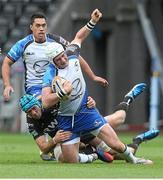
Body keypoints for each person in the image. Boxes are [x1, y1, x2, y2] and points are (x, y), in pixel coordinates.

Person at [42, 8, 152, 164]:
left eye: (62, 56)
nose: (62, 60)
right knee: (69, 160)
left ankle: (134, 160)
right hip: (67, 119)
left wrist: (92, 21)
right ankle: (93, 155)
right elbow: (46, 101)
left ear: (64, 52)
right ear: (52, 62)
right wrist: (61, 93)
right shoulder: (50, 74)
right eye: (57, 60)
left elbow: (79, 36)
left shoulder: (71, 53)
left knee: (115, 144)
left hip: (86, 111)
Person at [19, 90, 159, 163]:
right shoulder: (32, 121)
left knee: (119, 119)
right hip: (65, 138)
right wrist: (54, 140)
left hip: (83, 126)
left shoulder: (50, 101)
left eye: (33, 108)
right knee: (62, 158)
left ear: (37, 103)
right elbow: (43, 148)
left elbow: (74, 95)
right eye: (28, 112)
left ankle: (128, 99)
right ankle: (93, 155)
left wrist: (88, 101)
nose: (33, 113)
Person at [2, 12, 108, 102]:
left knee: (82, 101)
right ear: (31, 27)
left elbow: (74, 55)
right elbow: (7, 62)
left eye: (43, 25)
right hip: (35, 88)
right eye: (38, 25)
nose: (41, 29)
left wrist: (93, 76)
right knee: (40, 104)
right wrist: (7, 85)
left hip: (55, 84)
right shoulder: (23, 44)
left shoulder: (56, 40)